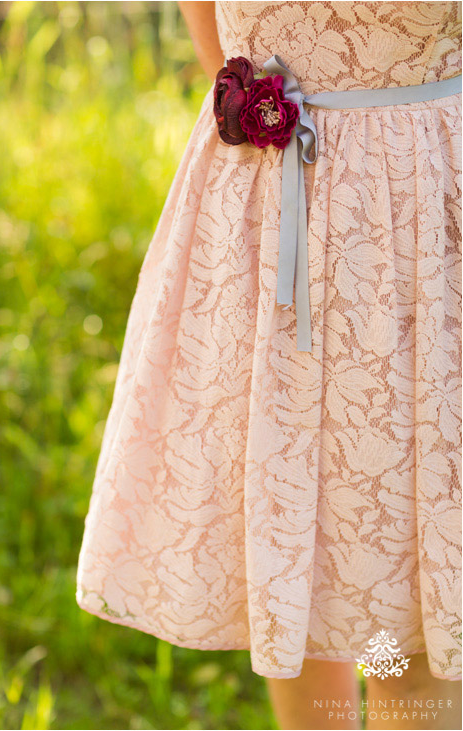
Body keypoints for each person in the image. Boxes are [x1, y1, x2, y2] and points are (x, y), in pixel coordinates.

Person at [75, 2, 461, 729]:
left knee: (401, 602)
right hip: (265, 205)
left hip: (415, 221)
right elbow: (214, 33)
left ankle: (388, 686)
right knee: (295, 536)